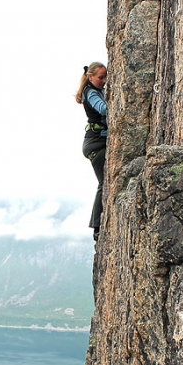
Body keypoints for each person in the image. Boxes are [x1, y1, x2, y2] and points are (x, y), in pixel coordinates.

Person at [76, 62, 108, 241]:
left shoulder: (96, 90)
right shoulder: (91, 92)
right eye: (100, 77)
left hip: (97, 141)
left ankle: (97, 224)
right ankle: (96, 226)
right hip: (95, 143)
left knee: (105, 181)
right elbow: (103, 108)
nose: (104, 81)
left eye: (105, 77)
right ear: (90, 77)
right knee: (104, 182)